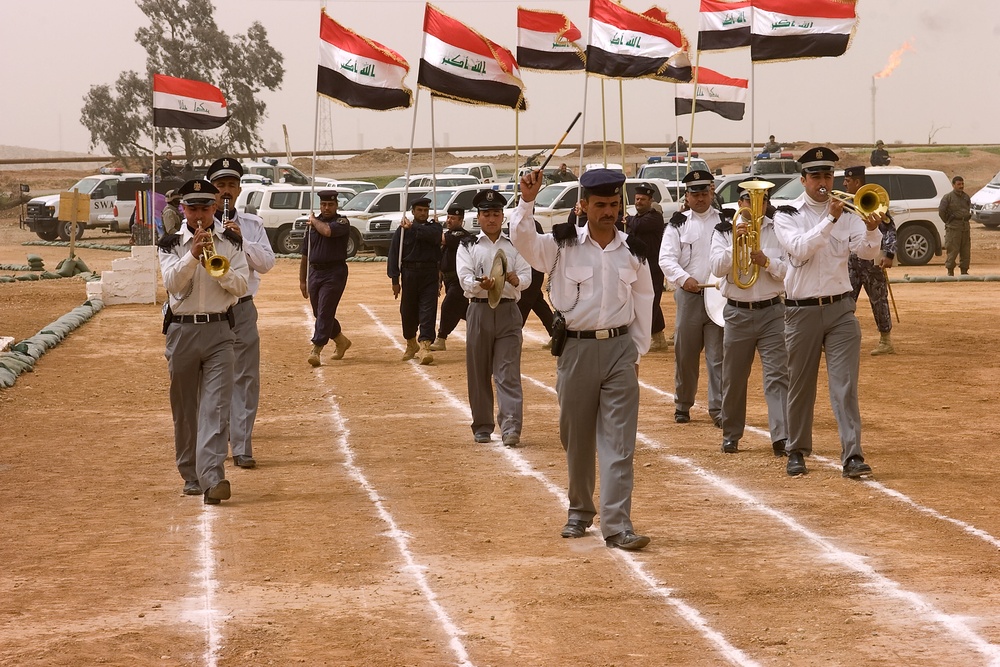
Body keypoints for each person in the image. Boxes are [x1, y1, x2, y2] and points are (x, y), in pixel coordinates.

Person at [511, 168, 654, 551]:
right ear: (584, 205)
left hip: (620, 351)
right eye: (600, 205)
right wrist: (527, 200)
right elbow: (522, 239)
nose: (608, 212)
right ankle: (579, 510)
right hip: (575, 349)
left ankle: (618, 524)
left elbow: (644, 302)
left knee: (619, 442)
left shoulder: (634, 251)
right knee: (575, 438)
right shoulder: (561, 245)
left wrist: (637, 352)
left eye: (613, 204)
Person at [772, 147, 884, 479]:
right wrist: (830, 219)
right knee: (800, 384)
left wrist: (873, 229)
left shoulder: (848, 214)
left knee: (845, 385)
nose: (823, 183)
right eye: (816, 177)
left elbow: (866, 253)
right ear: (803, 179)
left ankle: (853, 454)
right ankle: (796, 449)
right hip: (801, 311)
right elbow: (800, 249)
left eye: (828, 176)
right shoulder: (787, 214)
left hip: (840, 308)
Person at [158, 179, 250, 505]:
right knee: (186, 409)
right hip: (181, 332)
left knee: (216, 407)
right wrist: (192, 256)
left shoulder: (232, 241)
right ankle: (191, 475)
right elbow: (171, 283)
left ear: (215, 208)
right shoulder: (170, 244)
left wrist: (217, 265)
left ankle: (213, 478)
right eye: (192, 208)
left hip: (219, 332)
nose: (199, 215)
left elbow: (241, 285)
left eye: (205, 208)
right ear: (183, 209)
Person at [710, 182, 789, 456]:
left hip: (772, 312)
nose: (753, 205)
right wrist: (736, 244)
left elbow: (788, 273)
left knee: (777, 375)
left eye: (759, 200)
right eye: (747, 200)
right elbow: (716, 268)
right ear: (739, 203)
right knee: (733, 377)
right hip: (737, 312)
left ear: (766, 202)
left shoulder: (780, 228)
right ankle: (731, 434)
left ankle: (781, 436)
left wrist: (767, 262)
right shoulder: (723, 230)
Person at [207, 157, 276, 470]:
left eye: (231, 185)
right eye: (220, 185)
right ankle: (214, 447)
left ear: (239, 190)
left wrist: (241, 241)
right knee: (213, 381)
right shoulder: (199, 223)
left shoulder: (252, 224)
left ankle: (243, 446)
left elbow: (266, 263)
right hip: (211, 309)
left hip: (243, 307)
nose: (226, 191)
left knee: (246, 378)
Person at [457, 190, 532, 445]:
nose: (491, 219)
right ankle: (482, 425)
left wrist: (515, 280)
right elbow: (465, 278)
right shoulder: (467, 245)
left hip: (509, 311)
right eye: (486, 214)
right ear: (478, 217)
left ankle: (511, 426)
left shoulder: (514, 245)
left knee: (507, 371)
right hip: (478, 310)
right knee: (478, 372)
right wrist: (482, 285)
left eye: (496, 214)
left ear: (503, 217)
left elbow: (527, 275)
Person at [659, 170, 725, 426]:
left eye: (704, 193)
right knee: (685, 355)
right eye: (695, 194)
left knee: (718, 356)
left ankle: (718, 409)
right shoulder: (677, 224)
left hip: (718, 298)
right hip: (689, 296)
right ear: (687, 196)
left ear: (711, 192)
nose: (700, 199)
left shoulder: (725, 221)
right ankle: (683, 404)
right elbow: (665, 258)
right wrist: (683, 278)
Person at [844, 166, 897, 355]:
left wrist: (889, 254)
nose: (844, 184)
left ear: (857, 182)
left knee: (878, 300)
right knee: (845, 301)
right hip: (851, 260)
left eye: (848, 181)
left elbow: (890, 229)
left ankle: (886, 341)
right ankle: (839, 339)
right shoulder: (844, 205)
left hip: (872, 261)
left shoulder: (875, 202)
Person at [300, 190, 354, 366]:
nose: (326, 208)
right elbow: (305, 254)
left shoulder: (341, 222)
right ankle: (340, 340)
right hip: (315, 272)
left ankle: (316, 348)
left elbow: (328, 231)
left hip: (334, 272)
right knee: (320, 313)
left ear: (336, 205)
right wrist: (302, 280)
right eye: (323, 204)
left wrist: (314, 220)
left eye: (330, 204)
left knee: (324, 311)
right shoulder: (312, 226)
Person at [387, 197, 442, 364]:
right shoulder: (402, 230)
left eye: (425, 210)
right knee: (407, 311)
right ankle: (411, 343)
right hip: (409, 273)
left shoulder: (434, 228)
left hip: (429, 274)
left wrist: (413, 228)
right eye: (419, 210)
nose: (423, 213)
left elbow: (435, 237)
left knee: (428, 310)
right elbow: (394, 254)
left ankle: (425, 345)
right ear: (413, 211)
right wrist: (395, 280)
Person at [626, 183, 669, 351]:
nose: (639, 202)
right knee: (648, 302)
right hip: (638, 266)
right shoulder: (635, 217)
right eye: (637, 199)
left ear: (650, 200)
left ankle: (642, 339)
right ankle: (659, 339)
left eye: (643, 199)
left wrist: (628, 220)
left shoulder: (654, 217)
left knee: (650, 303)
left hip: (652, 267)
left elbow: (639, 226)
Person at [430, 206, 472, 351]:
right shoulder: (449, 233)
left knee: (448, 306)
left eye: (453, 218)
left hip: (460, 280)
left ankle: (441, 338)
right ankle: (491, 327)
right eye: (448, 217)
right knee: (464, 311)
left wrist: (435, 228)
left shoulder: (460, 234)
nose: (449, 220)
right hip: (449, 280)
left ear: (461, 220)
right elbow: (442, 260)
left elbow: (441, 239)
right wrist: (439, 279)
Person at [517, 218, 556, 348]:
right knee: (538, 304)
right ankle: (556, 334)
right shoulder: (516, 224)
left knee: (523, 303)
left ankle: (513, 335)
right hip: (523, 269)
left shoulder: (534, 225)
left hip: (534, 270)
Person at [939, 175, 972, 276]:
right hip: (953, 228)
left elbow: (968, 209)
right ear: (953, 185)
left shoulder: (966, 197)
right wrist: (949, 222)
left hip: (965, 227)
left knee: (965, 250)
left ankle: (964, 270)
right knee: (952, 250)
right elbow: (941, 212)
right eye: (959, 184)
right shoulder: (947, 197)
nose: (961, 186)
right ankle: (950, 271)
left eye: (962, 184)